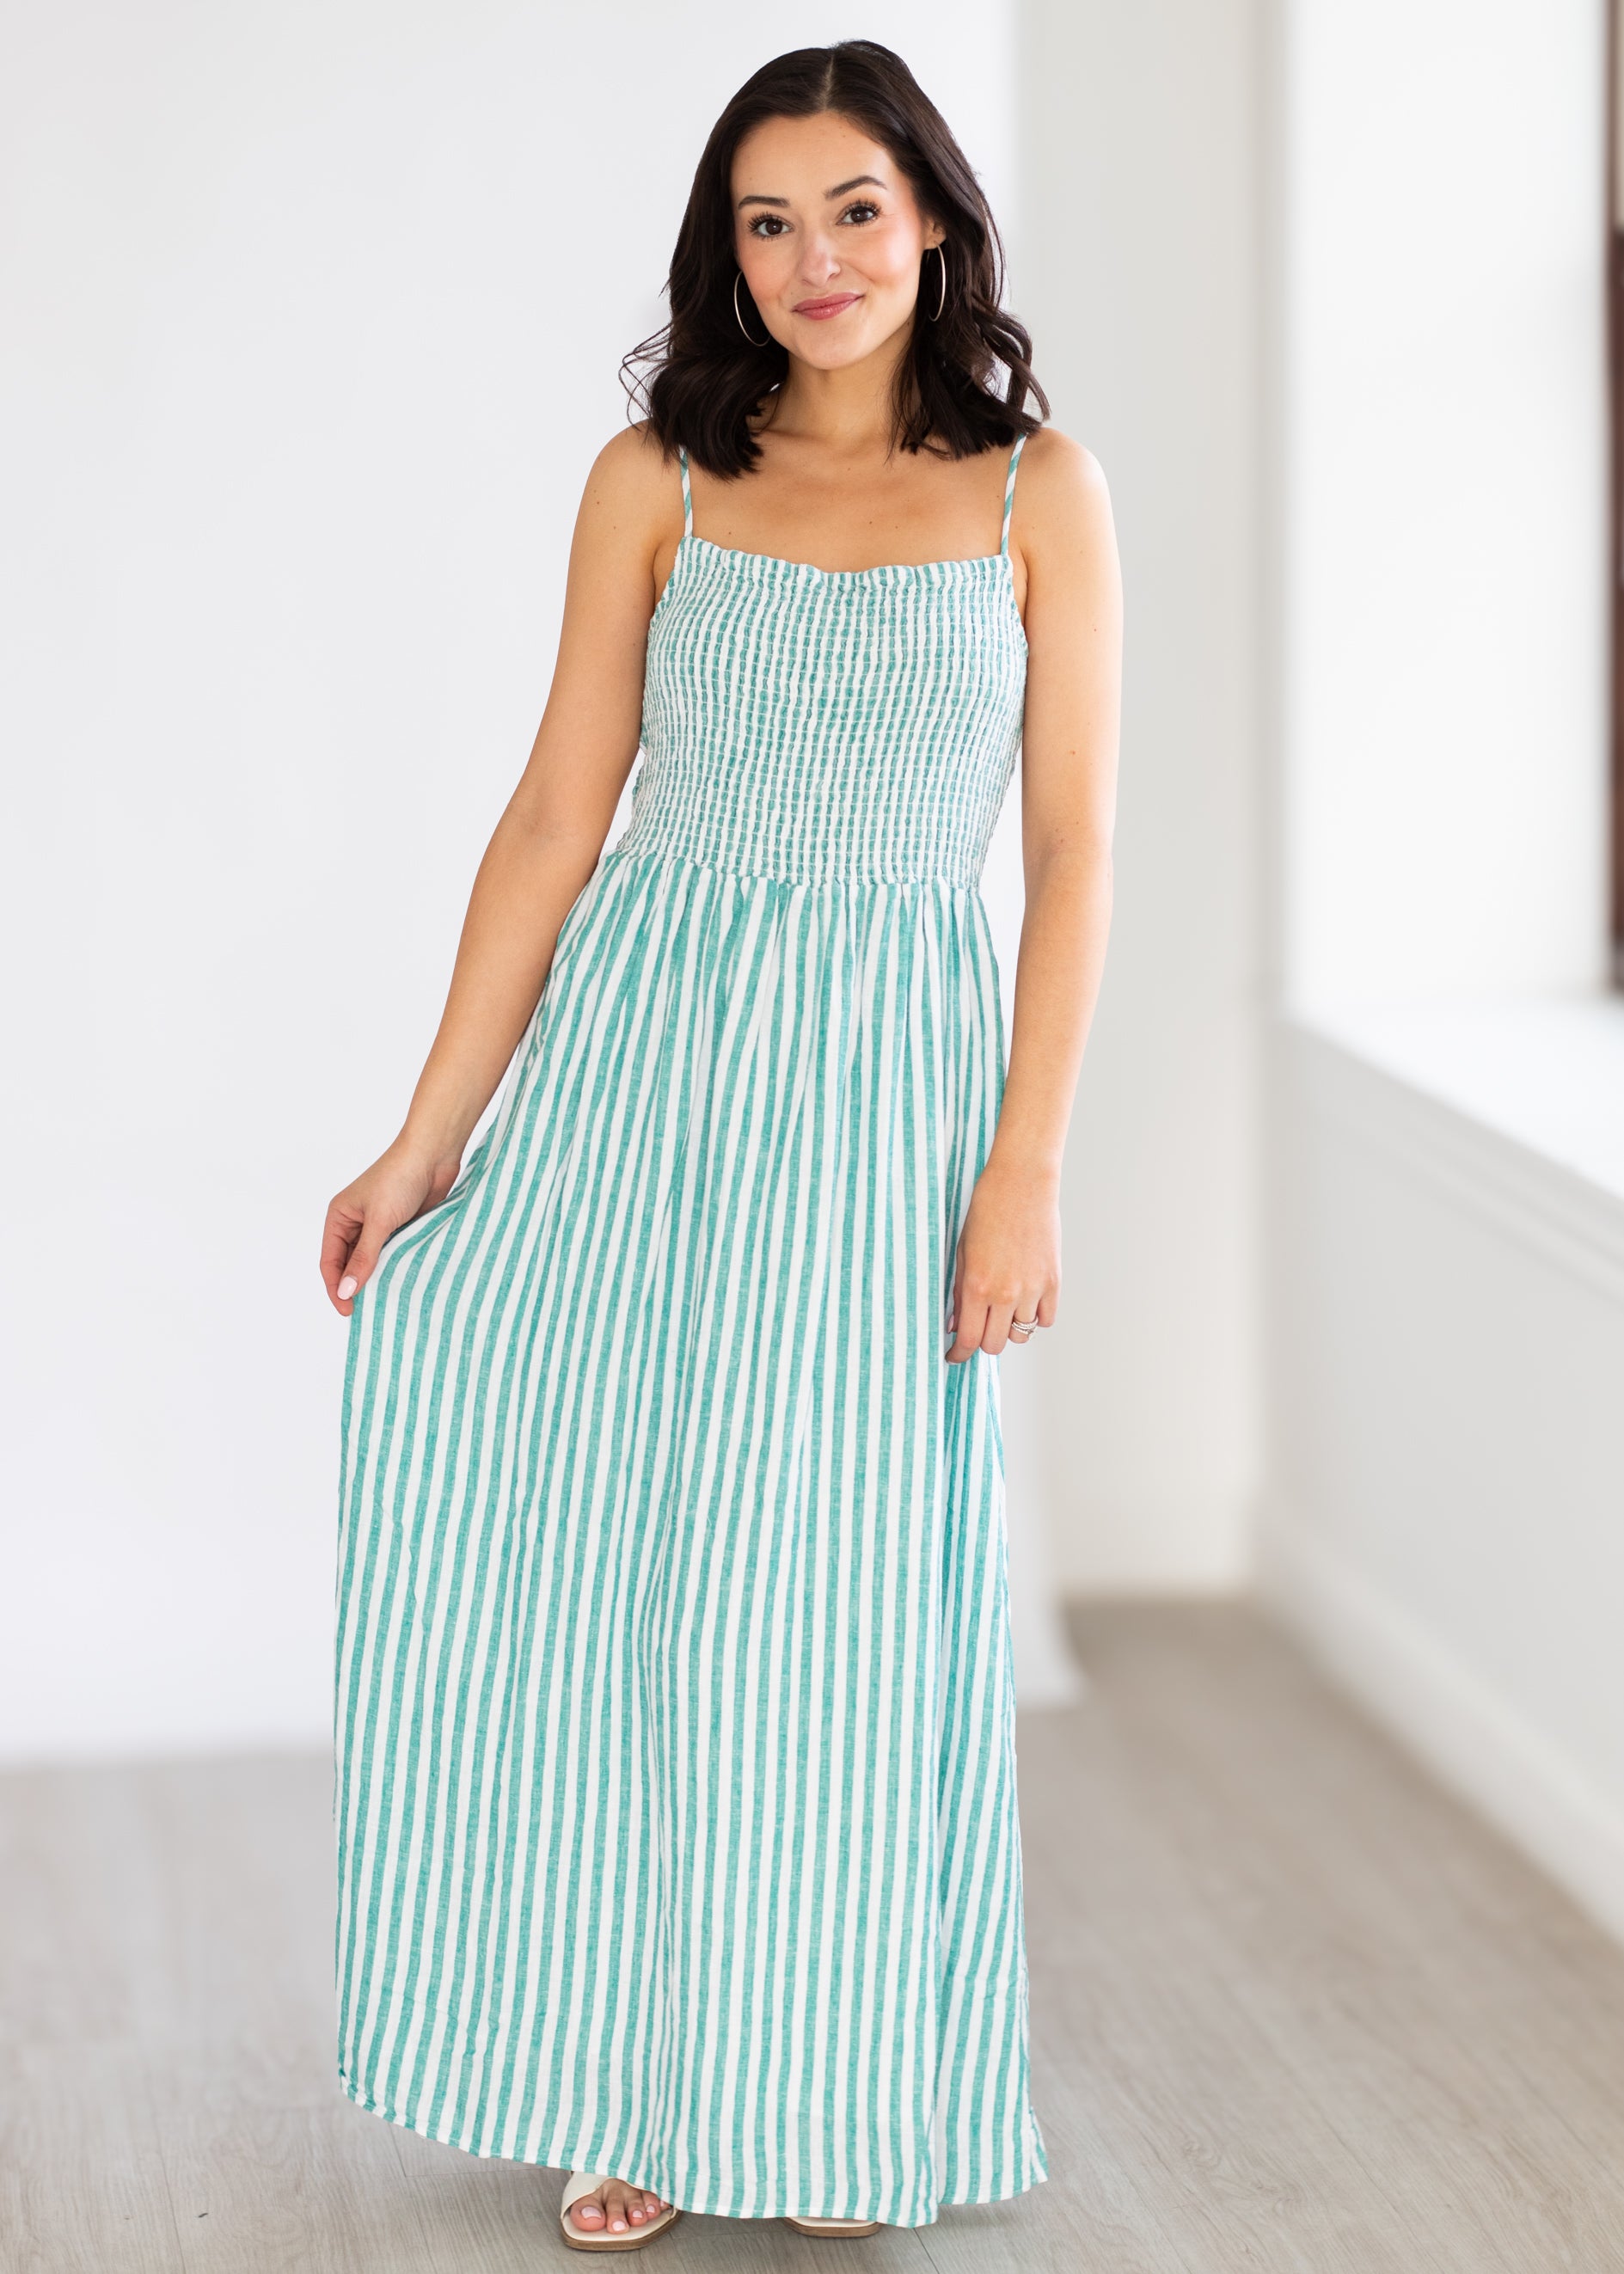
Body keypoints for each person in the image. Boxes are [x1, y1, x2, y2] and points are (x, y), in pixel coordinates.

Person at [321, 37, 1120, 2255]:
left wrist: (1024, 1165)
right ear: (725, 252)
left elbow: (1070, 859)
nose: (816, 260)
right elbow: (559, 816)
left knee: (848, 1606)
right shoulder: (652, 481)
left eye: (856, 209)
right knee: (647, 1585)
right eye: (769, 222)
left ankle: (838, 2085)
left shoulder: (1041, 491)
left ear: (935, 219)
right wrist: (424, 1143)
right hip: (644, 1085)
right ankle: (647, 2070)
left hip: (889, 1109)